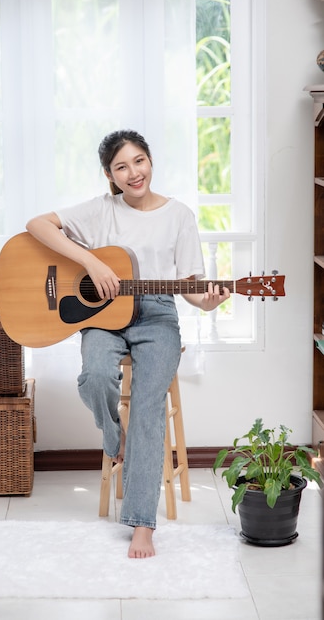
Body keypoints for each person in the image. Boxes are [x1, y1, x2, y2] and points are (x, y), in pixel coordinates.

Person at [26, 129, 230, 559]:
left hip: (157, 315)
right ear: (110, 175)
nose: (133, 172)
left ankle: (141, 523)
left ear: (150, 161)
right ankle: (111, 435)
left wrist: (208, 303)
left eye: (139, 161)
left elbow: (192, 288)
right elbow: (37, 225)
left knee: (148, 406)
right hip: (103, 314)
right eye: (122, 166)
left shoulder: (179, 215)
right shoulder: (102, 210)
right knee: (96, 375)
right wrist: (90, 260)